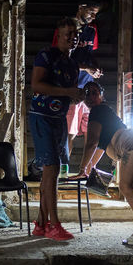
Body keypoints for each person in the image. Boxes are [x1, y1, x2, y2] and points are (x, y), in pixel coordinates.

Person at [68, 81, 133, 245]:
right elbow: (101, 147)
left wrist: (82, 169)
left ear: (101, 96)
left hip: (130, 144)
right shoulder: (105, 111)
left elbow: (92, 142)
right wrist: (89, 167)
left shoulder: (97, 111)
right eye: (87, 93)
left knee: (125, 186)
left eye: (94, 93)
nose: (90, 96)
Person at [30, 17, 84, 241]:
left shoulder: (72, 64)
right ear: (58, 35)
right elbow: (36, 85)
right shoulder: (46, 55)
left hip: (59, 119)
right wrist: (67, 93)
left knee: (51, 173)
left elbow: (69, 93)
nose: (72, 38)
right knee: (51, 170)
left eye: (75, 34)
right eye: (68, 34)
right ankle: (54, 225)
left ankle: (41, 224)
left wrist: (77, 96)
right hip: (42, 117)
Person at [65, 2, 103, 157]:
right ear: (81, 7)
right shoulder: (67, 30)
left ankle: (87, 167)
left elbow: (90, 54)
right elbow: (64, 60)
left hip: (88, 87)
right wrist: (87, 68)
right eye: (90, 12)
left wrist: (95, 68)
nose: (93, 16)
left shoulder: (92, 30)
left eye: (95, 14)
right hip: (73, 88)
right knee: (70, 132)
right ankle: (64, 166)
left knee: (91, 131)